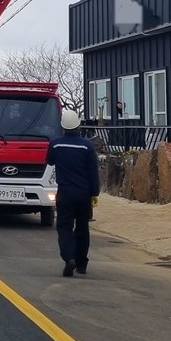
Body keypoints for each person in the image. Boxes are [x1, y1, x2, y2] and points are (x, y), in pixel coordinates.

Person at [46, 107, 100, 277]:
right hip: (84, 193)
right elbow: (93, 171)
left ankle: (69, 258)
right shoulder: (87, 146)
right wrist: (95, 193)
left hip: (65, 192)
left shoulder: (56, 144)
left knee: (64, 226)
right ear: (78, 126)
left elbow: (49, 161)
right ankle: (82, 264)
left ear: (63, 126)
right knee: (83, 228)